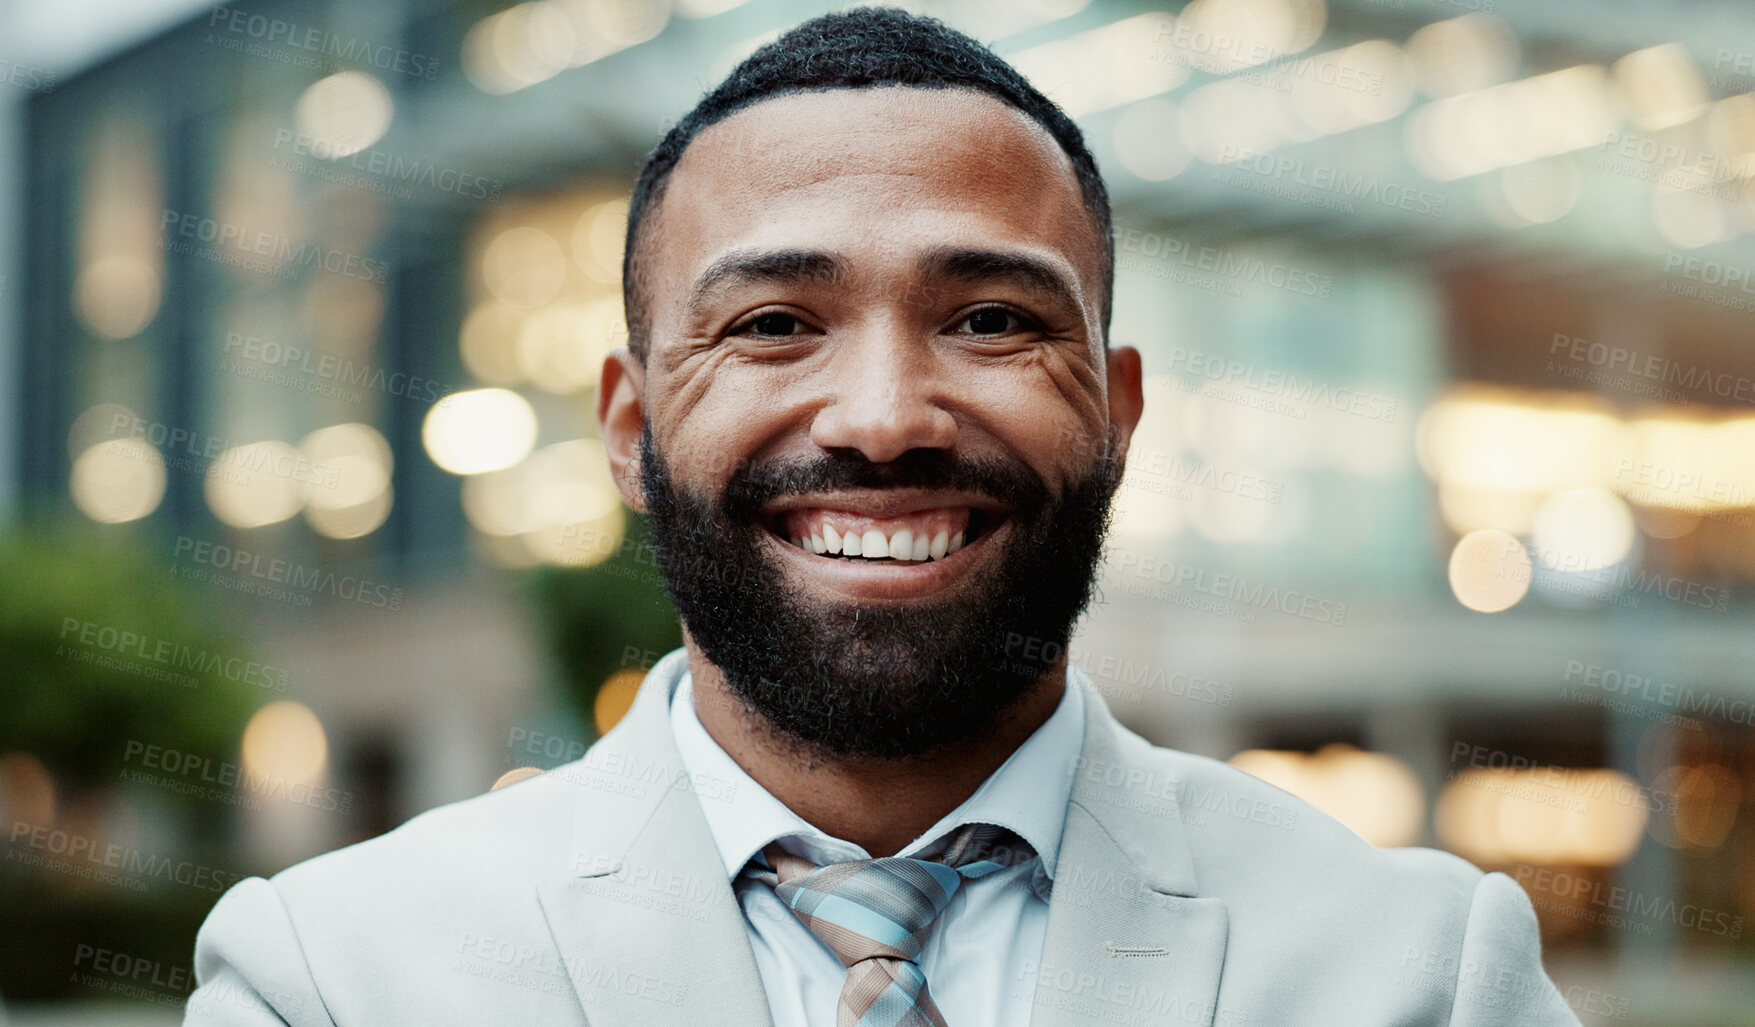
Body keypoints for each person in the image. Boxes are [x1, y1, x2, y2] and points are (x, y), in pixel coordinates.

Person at [186, 9, 1578, 1025]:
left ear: (1119, 412)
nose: (884, 417)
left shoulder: (1427, 975)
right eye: (776, 323)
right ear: (629, 430)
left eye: (989, 319)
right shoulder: (330, 979)